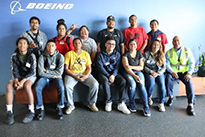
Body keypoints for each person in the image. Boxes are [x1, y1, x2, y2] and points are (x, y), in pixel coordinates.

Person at [5, 37, 37, 125]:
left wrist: (22, 81)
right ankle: (9, 112)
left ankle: (31, 111)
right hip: (18, 76)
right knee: (8, 86)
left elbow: (32, 71)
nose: (22, 45)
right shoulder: (14, 56)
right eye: (20, 43)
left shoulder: (32, 55)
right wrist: (16, 80)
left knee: (27, 86)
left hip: (30, 76)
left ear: (27, 45)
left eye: (24, 43)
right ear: (17, 45)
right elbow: (14, 70)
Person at [64, 38, 99, 114]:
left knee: (95, 84)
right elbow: (66, 69)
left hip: (84, 73)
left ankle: (92, 104)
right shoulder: (68, 54)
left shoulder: (86, 54)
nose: (77, 45)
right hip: (72, 74)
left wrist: (86, 76)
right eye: (75, 43)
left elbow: (89, 68)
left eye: (79, 43)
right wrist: (75, 76)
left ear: (81, 44)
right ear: (73, 45)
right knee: (67, 86)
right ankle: (70, 106)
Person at [96, 36, 130, 114]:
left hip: (113, 74)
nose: (111, 46)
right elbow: (100, 67)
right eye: (109, 44)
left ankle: (121, 103)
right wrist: (108, 76)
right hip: (103, 73)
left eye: (113, 44)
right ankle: (108, 101)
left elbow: (118, 67)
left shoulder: (117, 54)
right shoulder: (100, 54)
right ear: (105, 44)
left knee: (123, 81)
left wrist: (113, 75)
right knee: (105, 81)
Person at [35, 40, 65, 120]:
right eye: (48, 45)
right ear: (46, 47)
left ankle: (59, 107)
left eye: (52, 45)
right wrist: (54, 75)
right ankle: (41, 108)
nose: (50, 47)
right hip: (47, 77)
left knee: (61, 87)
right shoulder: (42, 57)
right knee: (37, 87)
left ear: (55, 47)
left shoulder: (60, 56)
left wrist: (47, 71)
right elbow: (40, 73)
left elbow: (60, 72)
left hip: (55, 76)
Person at [166, 36, 196, 116]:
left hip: (184, 72)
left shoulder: (187, 51)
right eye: (174, 41)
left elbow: (192, 63)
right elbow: (167, 64)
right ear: (172, 43)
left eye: (178, 40)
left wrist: (189, 73)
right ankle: (171, 97)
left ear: (181, 41)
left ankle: (190, 104)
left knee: (189, 83)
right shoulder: (169, 52)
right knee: (168, 78)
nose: (176, 42)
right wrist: (172, 72)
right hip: (173, 72)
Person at [122, 39, 151, 116]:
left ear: (137, 45)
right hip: (128, 73)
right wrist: (134, 76)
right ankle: (132, 104)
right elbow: (127, 68)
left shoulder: (139, 54)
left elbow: (141, 67)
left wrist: (131, 67)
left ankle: (146, 106)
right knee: (133, 85)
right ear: (128, 45)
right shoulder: (125, 55)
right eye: (131, 44)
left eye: (134, 44)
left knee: (142, 85)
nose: (133, 46)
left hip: (138, 72)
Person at [144, 38, 166, 112]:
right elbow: (143, 66)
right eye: (154, 44)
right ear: (151, 45)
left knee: (162, 85)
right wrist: (151, 72)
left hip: (159, 73)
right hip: (150, 72)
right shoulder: (146, 54)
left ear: (160, 46)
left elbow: (164, 67)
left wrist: (158, 73)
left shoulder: (162, 55)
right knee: (151, 83)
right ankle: (149, 97)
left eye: (157, 45)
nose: (155, 46)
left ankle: (161, 103)